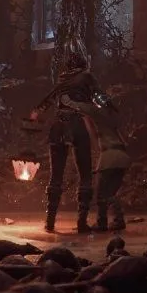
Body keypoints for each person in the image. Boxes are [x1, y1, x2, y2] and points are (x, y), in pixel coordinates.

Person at [28, 50, 108, 233]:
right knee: (85, 173)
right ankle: (81, 222)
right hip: (77, 123)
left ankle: (50, 221)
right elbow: (100, 98)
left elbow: (46, 101)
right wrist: (106, 107)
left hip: (58, 125)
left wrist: (36, 112)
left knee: (56, 175)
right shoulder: (86, 77)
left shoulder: (62, 80)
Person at [87, 91, 129, 231]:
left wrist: (85, 116)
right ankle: (118, 219)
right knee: (111, 192)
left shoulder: (99, 117)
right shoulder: (113, 118)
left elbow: (92, 133)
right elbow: (125, 140)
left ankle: (102, 222)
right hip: (121, 157)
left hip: (109, 157)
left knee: (101, 194)